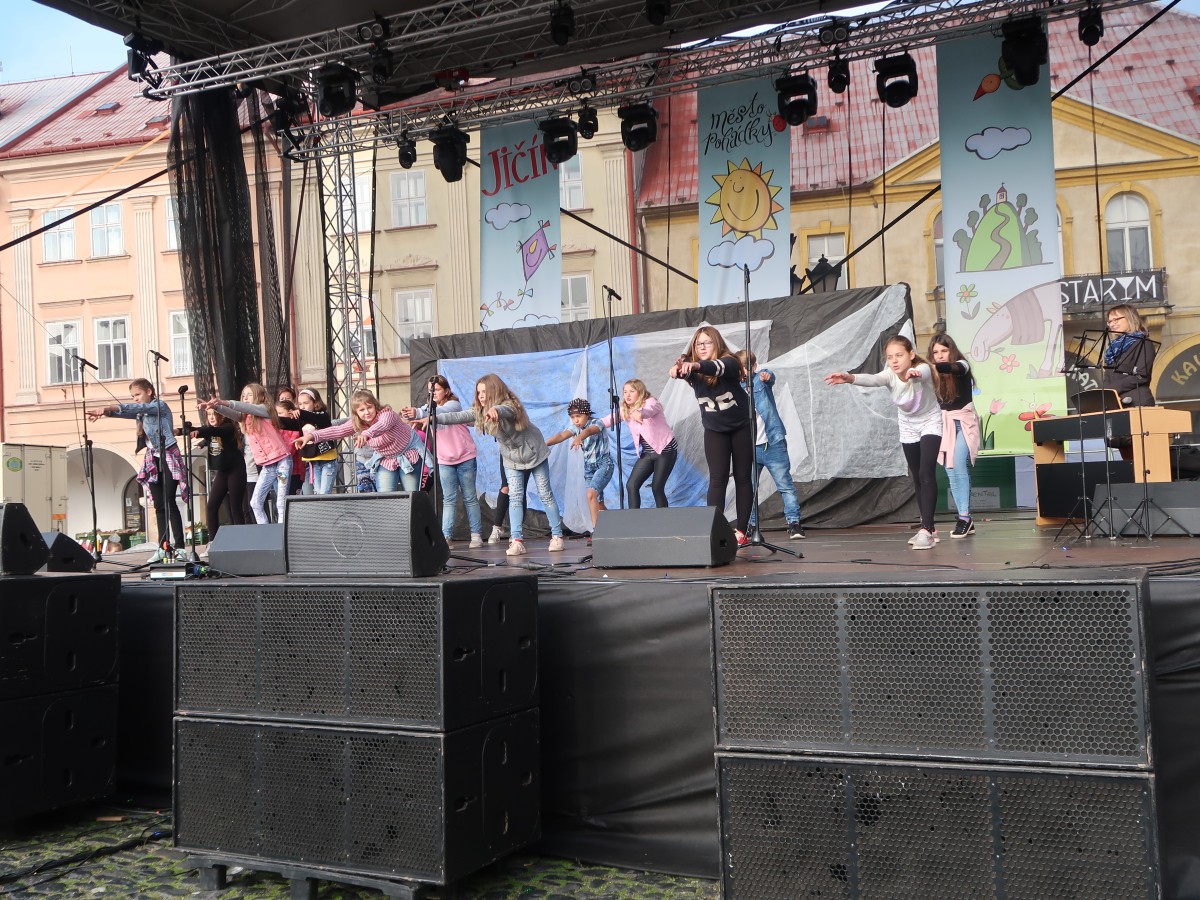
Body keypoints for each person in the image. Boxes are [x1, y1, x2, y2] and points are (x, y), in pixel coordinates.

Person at [825, 335, 943, 550]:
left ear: (911, 355)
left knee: (926, 473)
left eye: (899, 355)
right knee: (917, 475)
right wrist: (850, 378)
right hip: (908, 424)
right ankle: (930, 527)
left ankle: (926, 530)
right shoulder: (890, 375)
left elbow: (924, 372)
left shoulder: (921, 369)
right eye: (890, 357)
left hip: (930, 420)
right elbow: (873, 379)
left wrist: (915, 374)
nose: (894, 361)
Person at [437, 374, 565, 557]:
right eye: (478, 392)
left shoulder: (511, 405)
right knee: (515, 496)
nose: (481, 396)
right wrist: (427, 417)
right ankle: (517, 541)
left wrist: (495, 409)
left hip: (534, 452)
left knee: (545, 493)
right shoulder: (480, 412)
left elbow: (506, 410)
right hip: (511, 458)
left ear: (494, 390)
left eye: (484, 391)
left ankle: (557, 536)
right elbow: (457, 416)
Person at [668, 326, 753, 545]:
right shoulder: (694, 372)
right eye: (698, 344)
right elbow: (684, 367)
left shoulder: (730, 362)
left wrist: (694, 364)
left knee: (743, 478)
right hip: (715, 430)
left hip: (741, 427)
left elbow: (715, 367)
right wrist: (677, 369)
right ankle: (715, 532)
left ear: (717, 344)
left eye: (707, 342)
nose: (702, 347)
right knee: (717, 480)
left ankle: (741, 531)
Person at [89, 378, 188, 561]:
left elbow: (136, 408)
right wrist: (105, 413)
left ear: (149, 391)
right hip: (152, 457)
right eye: (132, 396)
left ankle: (180, 548)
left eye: (137, 394)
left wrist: (109, 407)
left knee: (169, 502)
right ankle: (163, 547)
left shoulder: (159, 406)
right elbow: (128, 412)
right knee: (158, 505)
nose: (135, 398)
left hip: (167, 453)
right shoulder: (140, 413)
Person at [401, 376, 484, 549]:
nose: (433, 393)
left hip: (465, 456)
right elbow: (426, 413)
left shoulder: (454, 405)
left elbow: (440, 413)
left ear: (446, 391)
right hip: (445, 460)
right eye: (430, 390)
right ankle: (446, 537)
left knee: (469, 497)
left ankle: (476, 535)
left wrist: (418, 413)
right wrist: (412, 416)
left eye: (437, 389)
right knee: (449, 499)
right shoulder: (429, 409)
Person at [735, 350, 805, 539]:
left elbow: (769, 376)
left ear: (753, 367)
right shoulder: (735, 388)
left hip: (773, 443)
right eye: (739, 368)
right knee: (748, 489)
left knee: (785, 485)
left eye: (746, 367)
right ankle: (750, 525)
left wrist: (767, 376)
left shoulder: (760, 380)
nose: (743, 372)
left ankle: (794, 523)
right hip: (750, 447)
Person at [296, 389, 424, 492]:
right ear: (356, 412)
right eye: (362, 410)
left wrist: (366, 434)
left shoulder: (387, 414)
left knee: (412, 494)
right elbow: (338, 430)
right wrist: (311, 436)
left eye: (369, 407)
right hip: (387, 459)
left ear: (375, 406)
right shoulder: (358, 422)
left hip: (408, 454)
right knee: (386, 496)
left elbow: (382, 426)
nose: (367, 412)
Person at [204, 383, 294, 525]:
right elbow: (233, 413)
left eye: (249, 395)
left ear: (261, 396)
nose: (245, 398)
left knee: (281, 502)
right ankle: (265, 532)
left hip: (282, 461)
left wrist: (224, 402)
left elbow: (246, 407)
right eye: (244, 395)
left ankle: (283, 533)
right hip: (268, 466)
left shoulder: (265, 410)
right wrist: (216, 407)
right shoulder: (246, 417)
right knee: (255, 503)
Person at [929, 333, 982, 538]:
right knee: (950, 470)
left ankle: (965, 518)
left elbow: (953, 368)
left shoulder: (962, 365)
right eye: (935, 352)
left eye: (944, 351)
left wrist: (929, 366)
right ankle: (964, 517)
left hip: (964, 423)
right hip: (946, 424)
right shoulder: (933, 376)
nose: (940, 355)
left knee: (959, 466)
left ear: (951, 350)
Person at [599, 379, 677, 509]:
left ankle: (664, 519)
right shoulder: (626, 410)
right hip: (648, 453)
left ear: (640, 392)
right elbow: (607, 420)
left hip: (665, 450)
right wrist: (590, 425)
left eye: (631, 391)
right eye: (625, 392)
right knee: (631, 485)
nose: (627, 395)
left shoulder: (651, 402)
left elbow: (648, 411)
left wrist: (639, 413)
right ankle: (634, 518)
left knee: (657, 487)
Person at [546, 398, 612, 535]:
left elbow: (589, 431)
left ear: (587, 414)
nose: (576, 420)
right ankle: (613, 529)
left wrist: (579, 437)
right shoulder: (575, 428)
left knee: (591, 495)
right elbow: (561, 436)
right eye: (572, 417)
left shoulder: (597, 423)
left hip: (604, 464)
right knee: (598, 503)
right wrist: (544, 444)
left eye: (578, 416)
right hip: (589, 468)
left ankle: (596, 533)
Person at [1103, 304, 1157, 462]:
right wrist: (1104, 394)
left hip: (1137, 404)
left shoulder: (1143, 343)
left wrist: (1111, 391)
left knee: (1143, 460)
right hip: (1117, 406)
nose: (1112, 324)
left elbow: (1141, 376)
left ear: (1130, 318)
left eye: (1116, 319)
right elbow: (1108, 378)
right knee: (1127, 461)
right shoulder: (1112, 350)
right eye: (1110, 321)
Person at [190, 406, 247, 543]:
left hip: (235, 469)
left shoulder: (228, 428)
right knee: (211, 506)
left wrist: (200, 432)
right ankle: (213, 542)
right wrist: (180, 431)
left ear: (222, 415)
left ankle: (242, 541)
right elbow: (208, 433)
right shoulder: (210, 432)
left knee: (236, 507)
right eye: (208, 414)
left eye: (214, 414)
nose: (211, 417)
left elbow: (214, 431)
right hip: (222, 471)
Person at [275, 398, 306, 496]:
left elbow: (290, 449)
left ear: (290, 414)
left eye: (280, 413)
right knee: (281, 496)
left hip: (295, 472)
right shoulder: (278, 429)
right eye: (276, 414)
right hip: (279, 470)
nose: (277, 417)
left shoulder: (295, 429)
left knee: (290, 496)